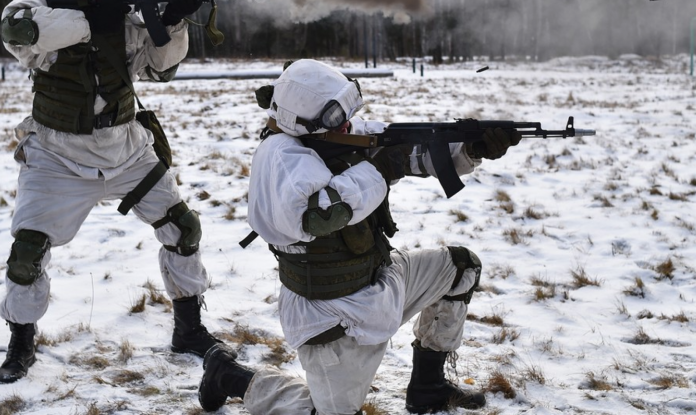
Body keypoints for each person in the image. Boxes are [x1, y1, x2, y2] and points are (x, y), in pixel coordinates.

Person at [198, 59, 521, 414]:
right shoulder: (280, 160)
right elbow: (320, 214)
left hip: (380, 282)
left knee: (460, 268)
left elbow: (409, 153)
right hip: (331, 319)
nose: (348, 124)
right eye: (337, 118)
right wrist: (381, 168)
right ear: (302, 120)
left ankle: (429, 386)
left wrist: (469, 148)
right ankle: (229, 376)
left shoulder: (333, 134)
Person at [0, 0, 227, 384]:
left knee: (183, 227)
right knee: (27, 254)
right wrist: (94, 19)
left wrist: (173, 21)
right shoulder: (34, 1)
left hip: (126, 147)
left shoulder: (121, 10)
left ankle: (189, 329)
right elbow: (18, 30)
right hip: (56, 155)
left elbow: (162, 70)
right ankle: (21, 339)